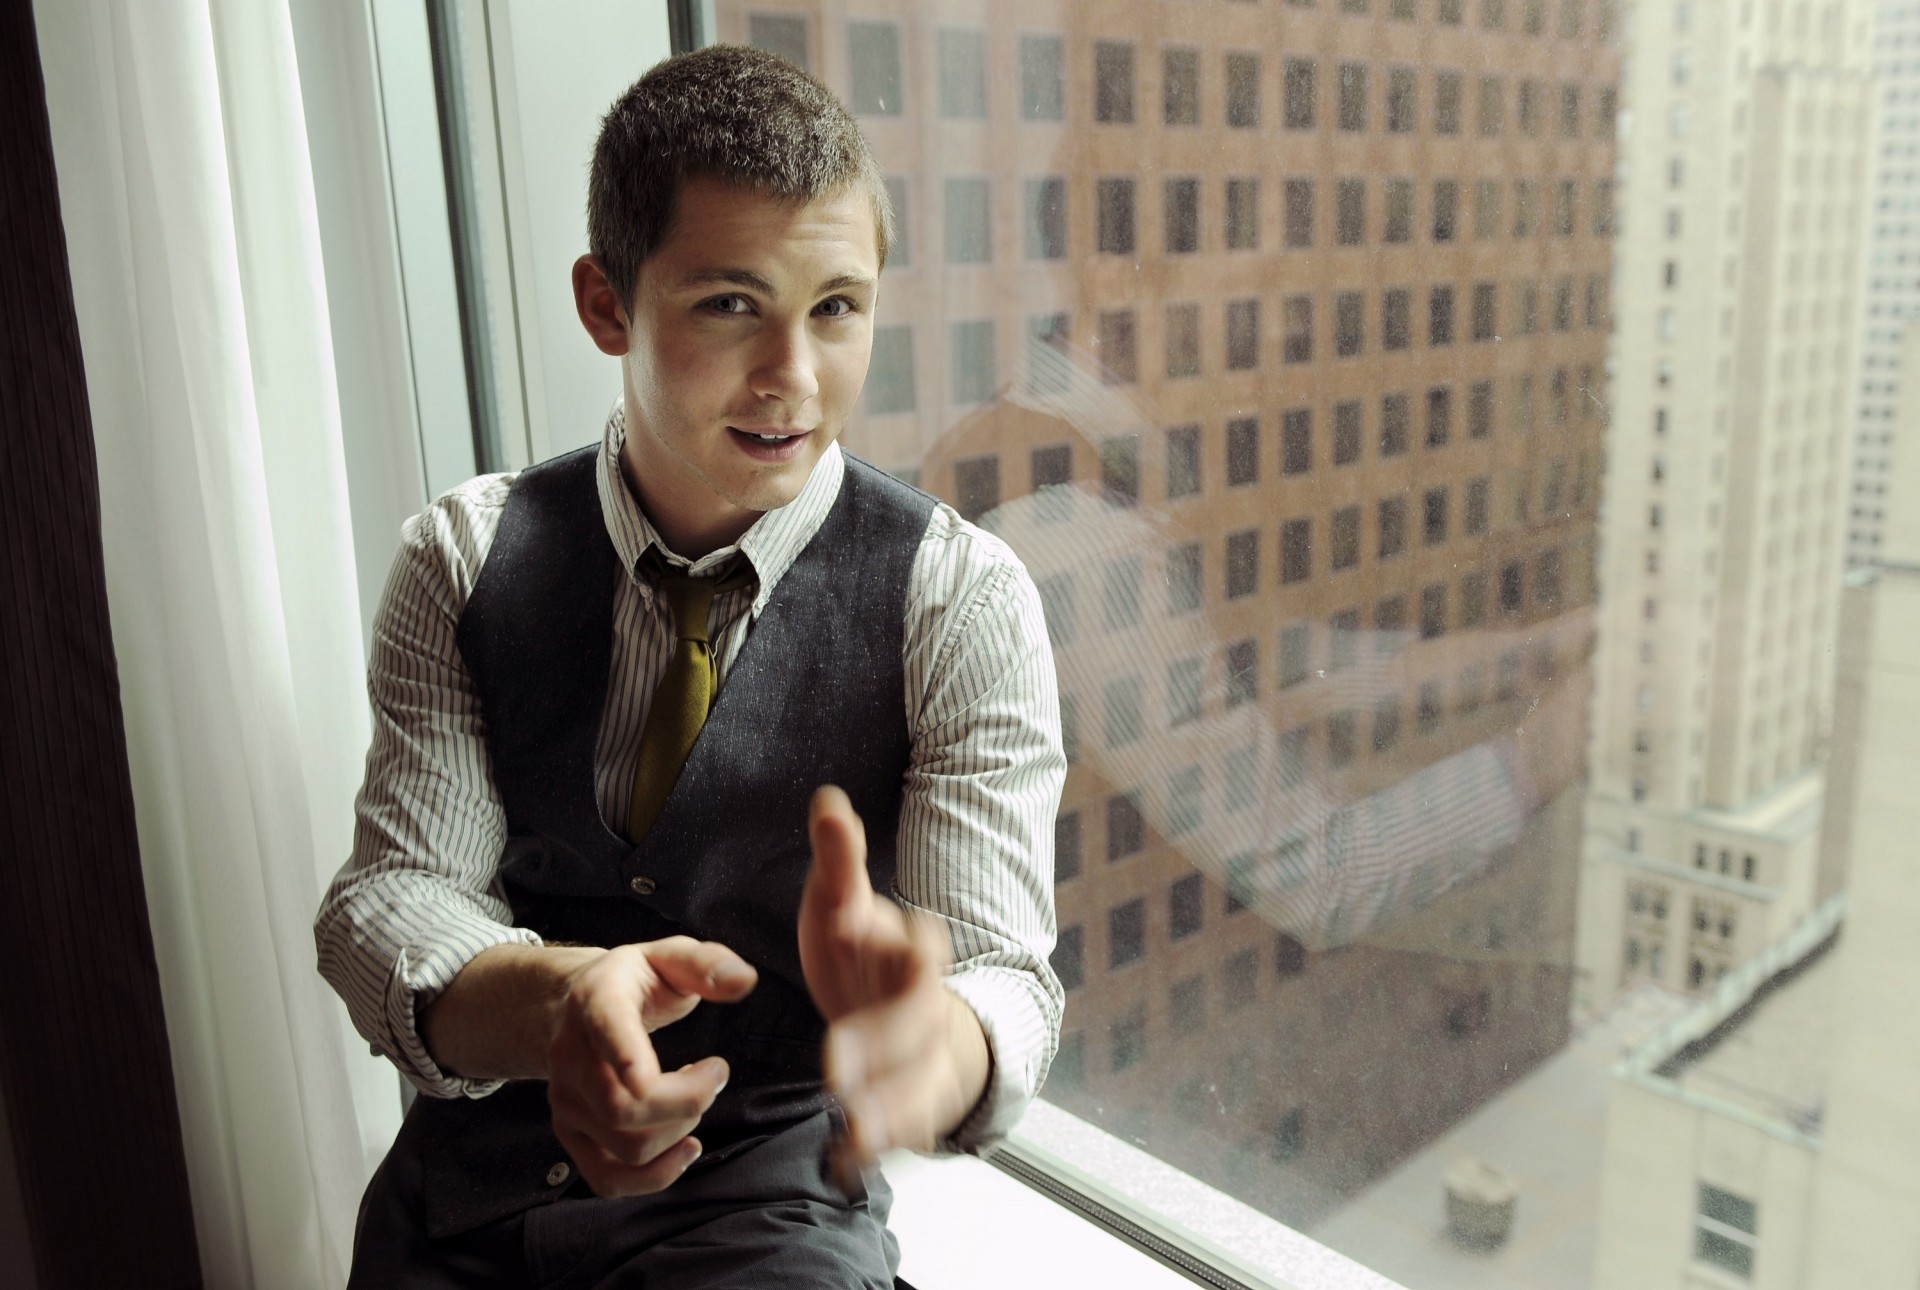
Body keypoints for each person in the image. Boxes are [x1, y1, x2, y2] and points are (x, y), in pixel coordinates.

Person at [315, 44, 1064, 1288]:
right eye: (730, 304)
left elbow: (1004, 980)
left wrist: (934, 1042)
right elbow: (393, 896)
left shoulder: (960, 601)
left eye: (837, 307)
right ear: (607, 303)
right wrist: (560, 1005)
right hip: (460, 1220)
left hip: (767, 1221)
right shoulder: (462, 558)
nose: (794, 377)